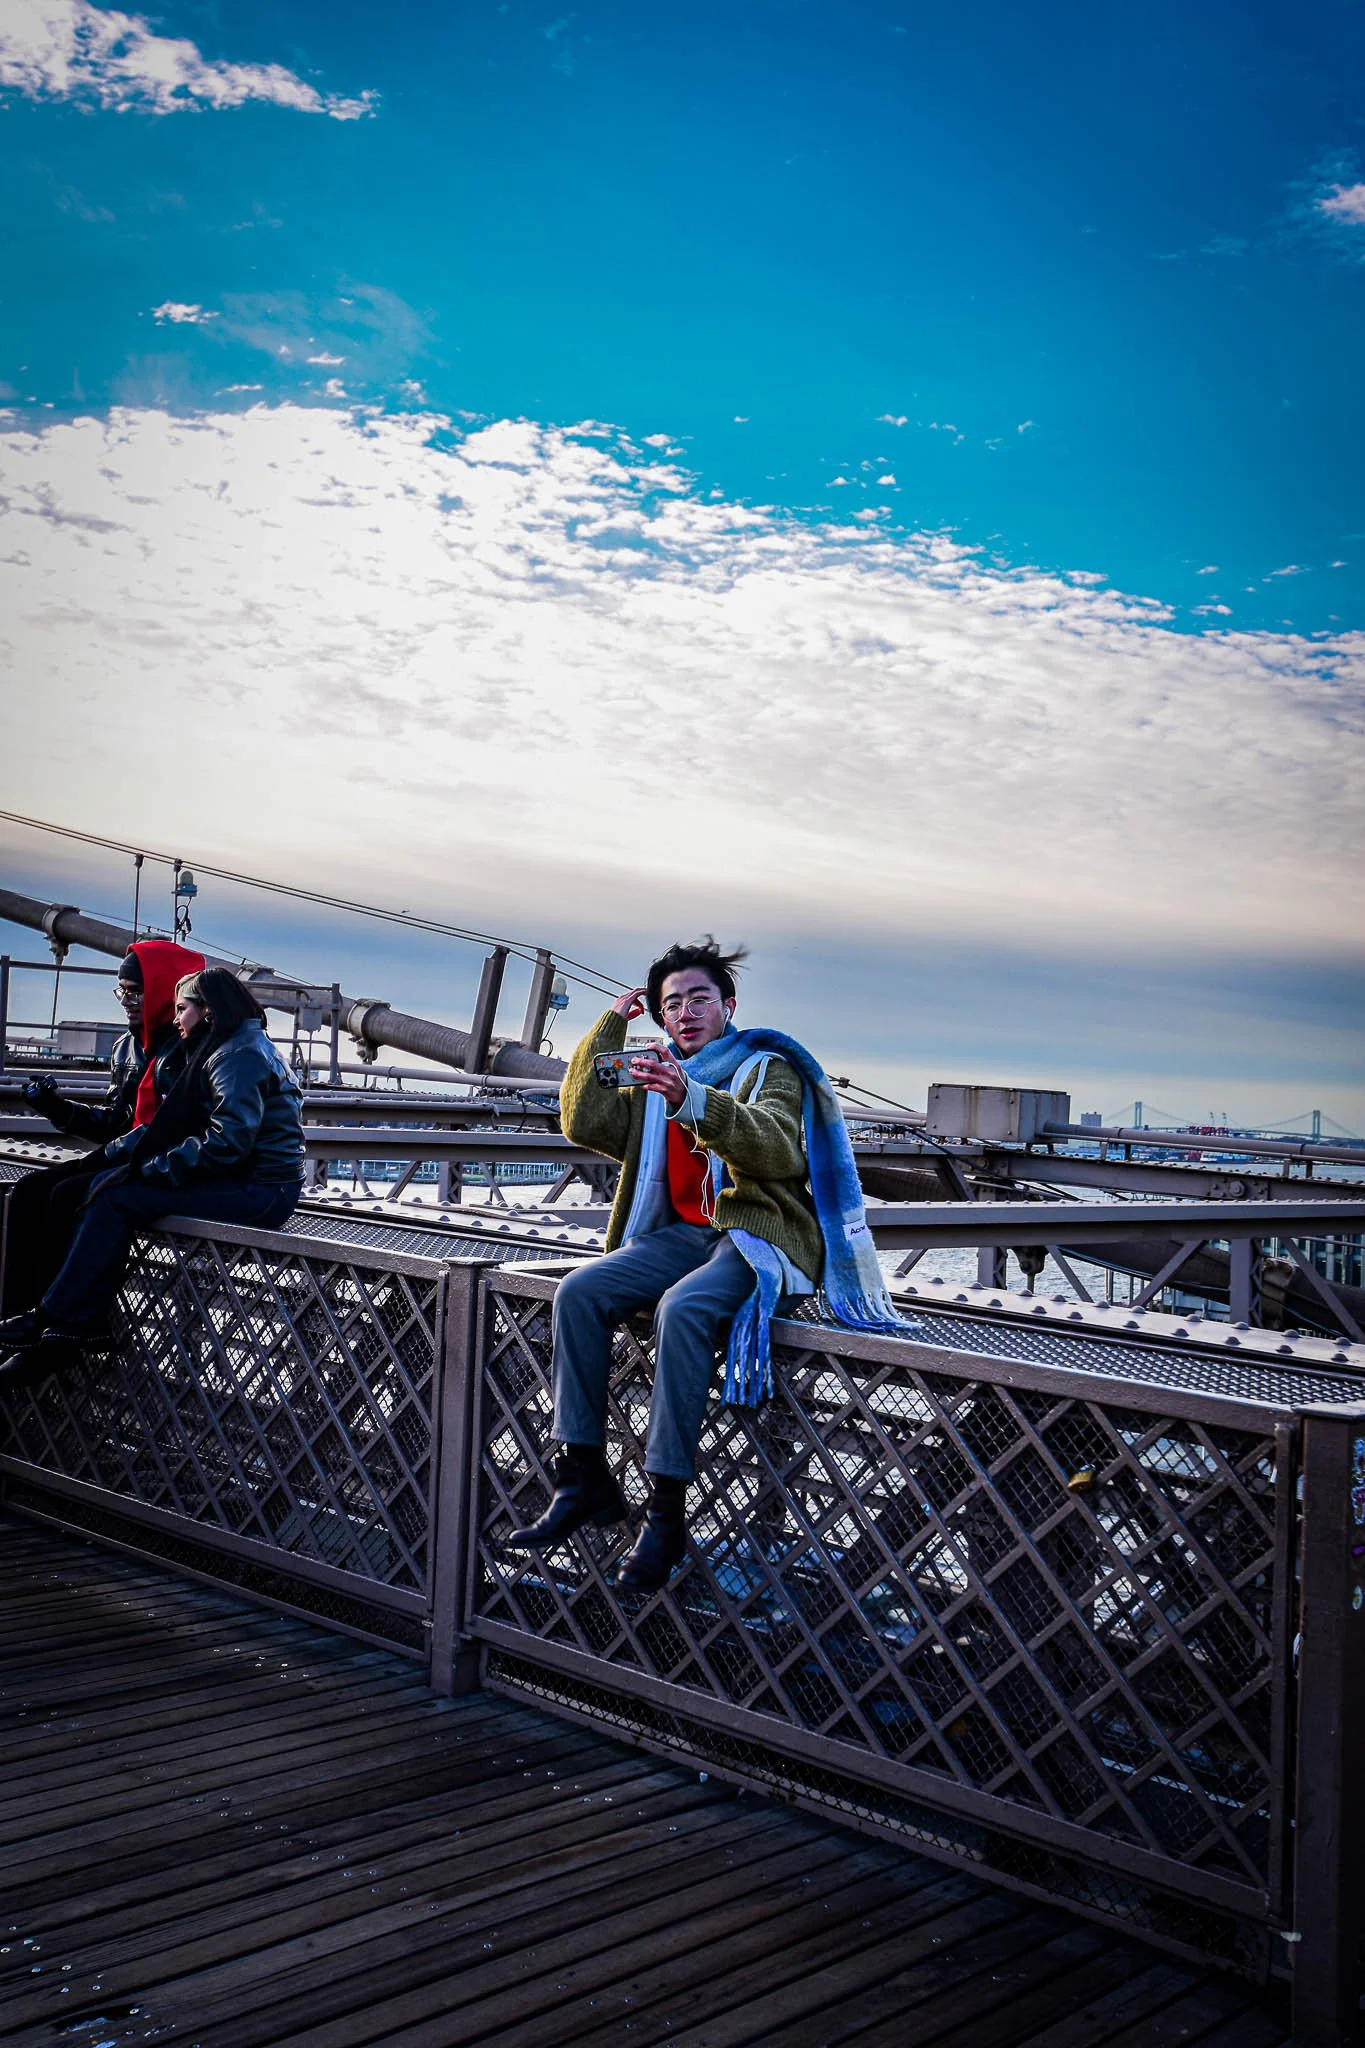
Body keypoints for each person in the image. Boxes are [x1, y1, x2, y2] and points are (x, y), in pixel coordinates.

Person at [507, 937, 902, 1593]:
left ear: (729, 1005)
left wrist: (693, 1099)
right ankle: (582, 1478)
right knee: (577, 1293)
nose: (684, 1012)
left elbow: (778, 1150)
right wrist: (610, 1027)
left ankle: (664, 1516)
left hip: (752, 1234)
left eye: (697, 998)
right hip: (680, 1235)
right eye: (671, 1004)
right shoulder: (654, 1072)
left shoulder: (765, 1066)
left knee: (683, 1309)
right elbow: (582, 1122)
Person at [1, 966, 305, 1374]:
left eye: (182, 1009)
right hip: (251, 1181)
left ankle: (62, 1321)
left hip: (263, 1192)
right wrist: (116, 1158)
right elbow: (168, 1128)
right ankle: (60, 1321)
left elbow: (227, 1143)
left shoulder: (237, 1055)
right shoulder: (227, 1046)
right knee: (106, 1191)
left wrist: (149, 1170)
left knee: (115, 1200)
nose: (175, 1018)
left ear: (209, 1011)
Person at [0, 938, 205, 1334]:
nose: (126, 1001)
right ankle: (19, 1313)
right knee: (28, 1190)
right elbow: (117, 1123)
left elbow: (170, 1131)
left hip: (157, 1163)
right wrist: (57, 1108)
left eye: (136, 991)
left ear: (166, 988)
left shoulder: (189, 1049)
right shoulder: (126, 1046)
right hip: (126, 1154)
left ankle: (60, 1319)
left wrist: (109, 1154)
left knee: (69, 1195)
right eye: (122, 992)